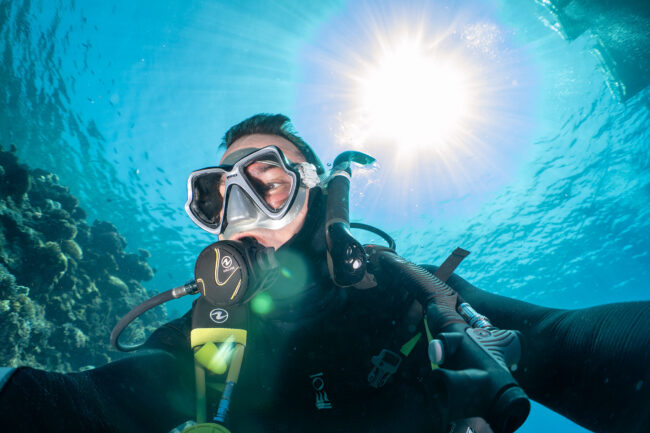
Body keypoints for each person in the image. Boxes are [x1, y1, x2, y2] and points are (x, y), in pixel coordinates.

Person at [1, 113, 649, 433]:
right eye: (217, 199)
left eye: (268, 184)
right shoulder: (210, 346)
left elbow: (574, 345)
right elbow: (95, 400)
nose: (239, 217)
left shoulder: (411, 298)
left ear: (319, 199)